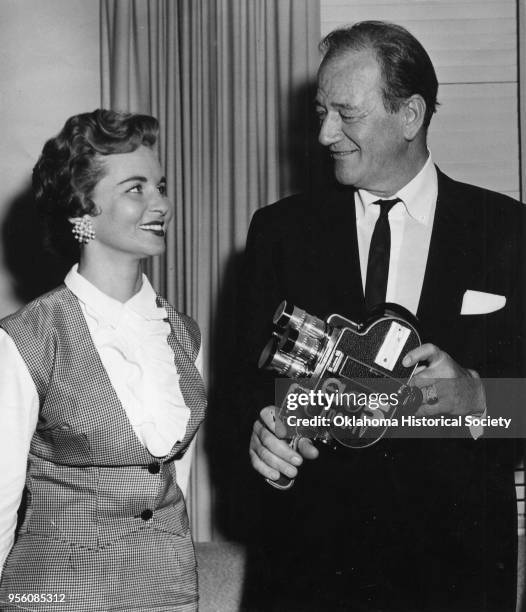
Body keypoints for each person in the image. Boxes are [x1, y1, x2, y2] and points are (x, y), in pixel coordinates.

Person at [245, 21, 525, 612]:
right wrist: (265, 444)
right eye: (321, 111)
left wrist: (479, 399)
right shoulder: (278, 234)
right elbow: (250, 393)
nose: (324, 134)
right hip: (309, 576)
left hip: (454, 578)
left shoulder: (508, 232)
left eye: (346, 113)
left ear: (411, 114)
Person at [0, 109, 206, 611]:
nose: (161, 203)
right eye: (136, 189)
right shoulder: (26, 337)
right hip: (54, 595)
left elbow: (180, 486)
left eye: (160, 185)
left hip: (169, 593)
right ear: (82, 211)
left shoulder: (184, 334)